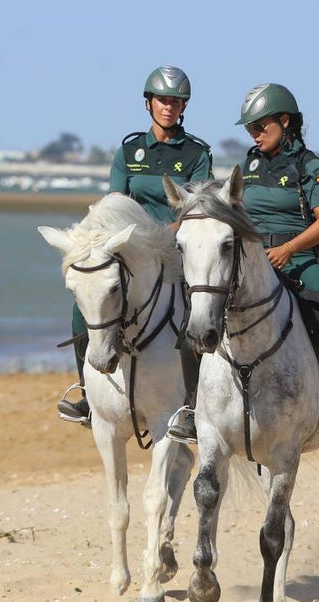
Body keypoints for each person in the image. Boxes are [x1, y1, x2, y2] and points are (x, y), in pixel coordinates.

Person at [58, 65, 212, 444]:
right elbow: (113, 204)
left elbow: (195, 207)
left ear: (183, 107)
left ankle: (193, 403)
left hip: (174, 251)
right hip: (130, 253)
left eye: (177, 102)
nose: (169, 107)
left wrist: (166, 236)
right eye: (163, 100)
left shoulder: (196, 153)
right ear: (149, 103)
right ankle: (87, 393)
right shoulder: (130, 150)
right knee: (85, 306)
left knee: (199, 311)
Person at [234, 83, 319, 446]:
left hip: (303, 257)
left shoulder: (309, 165)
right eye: (250, 128)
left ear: (284, 120)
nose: (254, 133)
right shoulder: (250, 164)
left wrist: (290, 248)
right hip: (257, 260)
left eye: (261, 126)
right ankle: (198, 405)